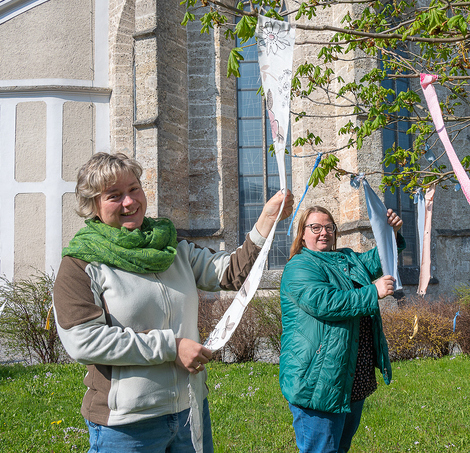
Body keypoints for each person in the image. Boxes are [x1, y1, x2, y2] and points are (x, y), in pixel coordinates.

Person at [53, 152, 293, 453]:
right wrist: (171, 347)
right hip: (127, 427)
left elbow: (232, 273)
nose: (129, 202)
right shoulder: (80, 263)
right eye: (114, 196)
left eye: (134, 189)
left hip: (189, 412)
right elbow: (83, 340)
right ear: (93, 206)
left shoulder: (170, 246)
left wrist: (267, 220)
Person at [279, 205, 403, 453]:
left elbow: (381, 258)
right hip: (318, 381)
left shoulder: (347, 258)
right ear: (302, 234)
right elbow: (326, 303)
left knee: (340, 448)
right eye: (315, 227)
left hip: (348, 379)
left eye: (328, 227)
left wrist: (392, 233)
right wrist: (373, 291)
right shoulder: (299, 266)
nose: (323, 232)